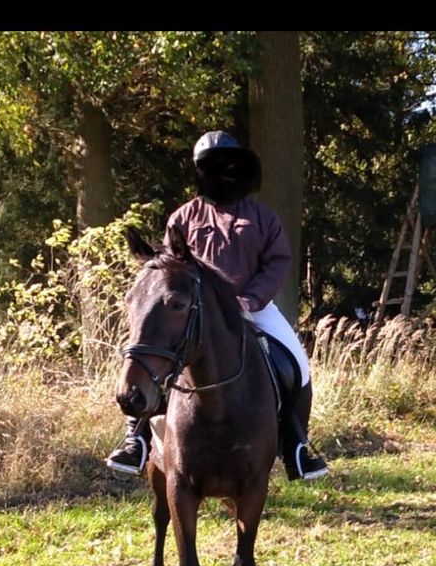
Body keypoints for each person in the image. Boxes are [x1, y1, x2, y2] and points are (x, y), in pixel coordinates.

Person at [107, 130, 328, 481]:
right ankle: (136, 439)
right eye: (212, 168)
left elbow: (278, 262)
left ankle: (296, 445)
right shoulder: (183, 218)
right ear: (201, 172)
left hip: (251, 306)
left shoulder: (262, 218)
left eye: (228, 166)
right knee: (157, 354)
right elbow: (168, 268)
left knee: (297, 363)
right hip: (197, 313)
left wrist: (251, 298)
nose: (221, 174)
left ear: (239, 170)